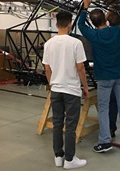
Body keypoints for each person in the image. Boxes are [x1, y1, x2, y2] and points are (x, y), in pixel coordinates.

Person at [78, 0, 120, 153]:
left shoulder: (94, 35)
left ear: (93, 22)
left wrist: (85, 7)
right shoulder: (117, 31)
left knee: (104, 108)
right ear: (105, 19)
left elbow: (81, 26)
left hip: (104, 78)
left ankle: (105, 142)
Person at [42, 11, 88, 169]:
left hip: (56, 89)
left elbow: (47, 69)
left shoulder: (48, 44)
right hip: (71, 90)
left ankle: (58, 157)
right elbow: (80, 68)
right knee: (70, 125)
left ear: (56, 24)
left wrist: (52, 84)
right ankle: (70, 159)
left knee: (57, 123)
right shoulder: (76, 43)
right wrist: (85, 87)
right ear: (70, 24)